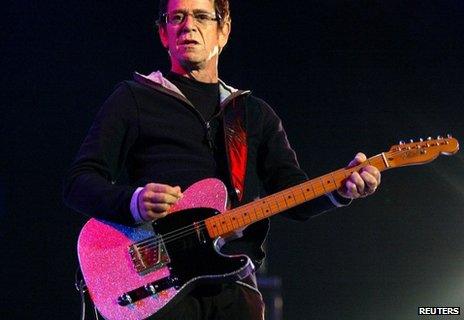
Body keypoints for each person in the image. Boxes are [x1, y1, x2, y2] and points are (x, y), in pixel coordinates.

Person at [63, 0, 381, 319]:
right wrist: (133, 201)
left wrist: (341, 190)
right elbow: (79, 183)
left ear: (223, 31)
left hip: (235, 288)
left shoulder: (253, 115)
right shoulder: (133, 98)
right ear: (163, 33)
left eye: (202, 16)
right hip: (158, 286)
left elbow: (293, 196)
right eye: (177, 17)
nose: (189, 25)